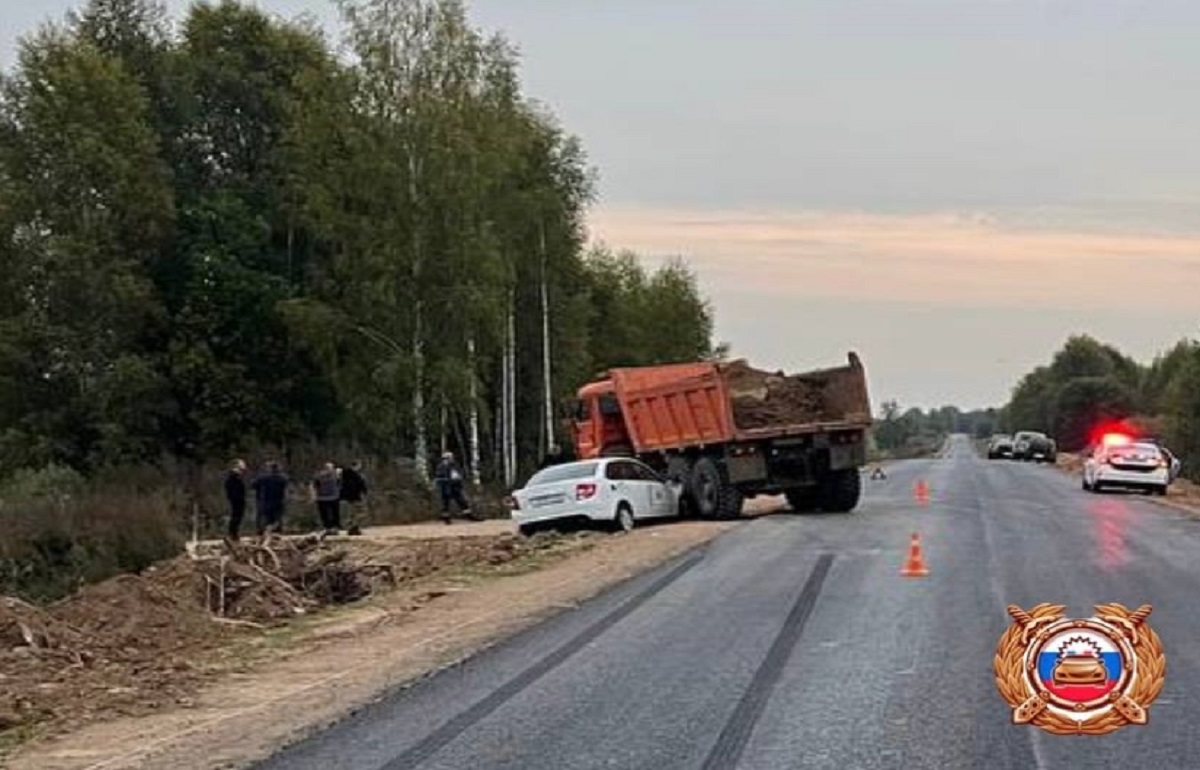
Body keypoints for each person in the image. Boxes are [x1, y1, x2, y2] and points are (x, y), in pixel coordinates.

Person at [435, 451, 478, 523]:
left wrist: (459, 480)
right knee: (446, 503)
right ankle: (446, 518)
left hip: (455, 486)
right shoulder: (441, 467)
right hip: (446, 487)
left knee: (462, 501)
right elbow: (439, 477)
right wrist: (446, 481)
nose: (452, 458)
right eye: (450, 457)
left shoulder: (455, 465)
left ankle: (468, 515)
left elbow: (458, 474)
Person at [252, 461, 289, 537]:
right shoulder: (282, 478)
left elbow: (253, 485)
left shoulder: (263, 478)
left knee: (266, 519)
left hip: (266, 502)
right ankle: (277, 534)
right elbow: (286, 486)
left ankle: (263, 534)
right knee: (277, 519)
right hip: (278, 502)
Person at [311, 461, 341, 537]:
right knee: (329, 514)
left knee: (330, 514)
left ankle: (331, 527)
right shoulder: (334, 475)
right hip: (327, 497)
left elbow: (314, 486)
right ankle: (330, 527)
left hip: (328, 497)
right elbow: (314, 486)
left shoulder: (319, 475)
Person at [339, 460, 369, 536]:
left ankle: (353, 527)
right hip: (353, 496)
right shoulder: (351, 475)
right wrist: (364, 492)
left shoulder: (347, 474)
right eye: (359, 466)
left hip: (349, 496)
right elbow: (361, 485)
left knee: (353, 513)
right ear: (356, 466)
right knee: (359, 512)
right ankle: (353, 527)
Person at [224, 458, 248, 541]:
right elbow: (232, 488)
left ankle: (234, 533)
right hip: (237, 499)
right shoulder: (233, 477)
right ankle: (233, 534)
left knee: (237, 516)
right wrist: (236, 497)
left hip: (237, 499)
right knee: (236, 516)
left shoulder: (236, 477)